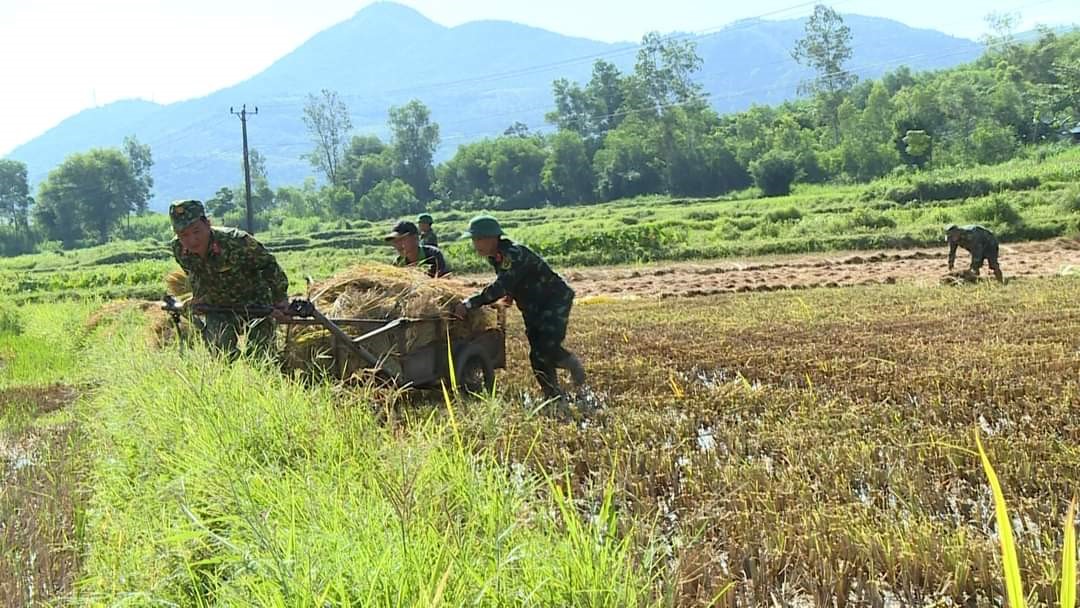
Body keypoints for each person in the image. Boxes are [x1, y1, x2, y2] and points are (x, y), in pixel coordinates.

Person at [453, 215, 585, 401]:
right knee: (537, 354)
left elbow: (501, 286)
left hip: (553, 301)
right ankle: (552, 395)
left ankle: (572, 366)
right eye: (474, 240)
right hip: (532, 305)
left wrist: (469, 304)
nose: (476, 244)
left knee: (545, 349)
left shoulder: (514, 254)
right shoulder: (496, 257)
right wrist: (511, 293)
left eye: (478, 239)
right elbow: (513, 281)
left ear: (492, 238)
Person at [169, 199, 290, 356]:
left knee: (261, 356)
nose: (192, 240)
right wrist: (199, 298)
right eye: (184, 235)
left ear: (208, 224)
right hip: (218, 306)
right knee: (221, 352)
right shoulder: (178, 248)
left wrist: (280, 299)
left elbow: (269, 264)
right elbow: (194, 273)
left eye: (196, 231)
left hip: (256, 303)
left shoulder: (236, 242)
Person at [385, 220, 450, 278]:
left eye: (401, 239)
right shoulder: (398, 262)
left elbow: (442, 281)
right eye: (395, 241)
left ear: (415, 238)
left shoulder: (432, 255)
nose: (397, 245)